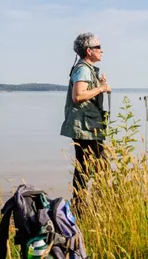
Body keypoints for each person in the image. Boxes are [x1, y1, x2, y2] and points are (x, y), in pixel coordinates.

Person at [60, 32, 111, 200]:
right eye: (99, 47)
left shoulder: (86, 69)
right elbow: (78, 96)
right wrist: (101, 89)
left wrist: (100, 84)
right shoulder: (82, 69)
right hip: (85, 126)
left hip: (88, 124)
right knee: (93, 165)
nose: (102, 50)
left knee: (90, 165)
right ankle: (84, 204)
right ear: (89, 51)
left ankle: (85, 203)